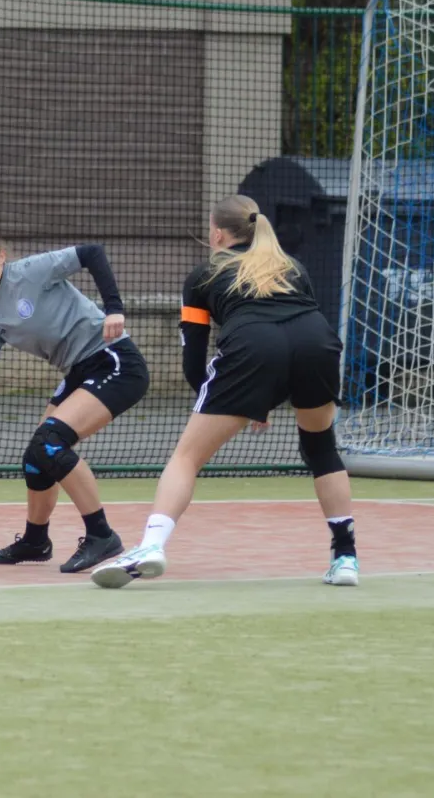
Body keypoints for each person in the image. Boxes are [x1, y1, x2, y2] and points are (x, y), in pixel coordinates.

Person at [91, 194, 359, 588]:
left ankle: (150, 546)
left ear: (217, 233)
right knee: (321, 449)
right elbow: (292, 331)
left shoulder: (203, 276)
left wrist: (243, 398)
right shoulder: (292, 267)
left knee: (186, 458)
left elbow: (194, 365)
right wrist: (257, 399)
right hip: (317, 343)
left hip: (253, 347)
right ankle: (346, 558)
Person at [0, 222, 147, 573]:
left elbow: (92, 253)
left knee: (50, 443)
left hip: (114, 361)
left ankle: (101, 535)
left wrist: (114, 308)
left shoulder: (30, 271)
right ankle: (35, 541)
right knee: (36, 456)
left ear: (1, 256)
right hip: (79, 371)